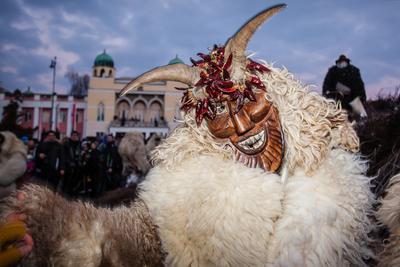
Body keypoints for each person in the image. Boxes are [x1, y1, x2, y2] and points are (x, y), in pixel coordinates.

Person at [62, 131, 82, 196]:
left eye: (76, 135)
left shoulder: (79, 144)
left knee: (74, 182)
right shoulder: (67, 144)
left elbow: (79, 155)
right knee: (66, 182)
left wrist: (79, 162)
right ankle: (64, 195)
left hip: (77, 167)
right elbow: (64, 156)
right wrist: (69, 162)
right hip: (68, 167)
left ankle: (71, 196)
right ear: (71, 136)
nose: (75, 137)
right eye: (73, 135)